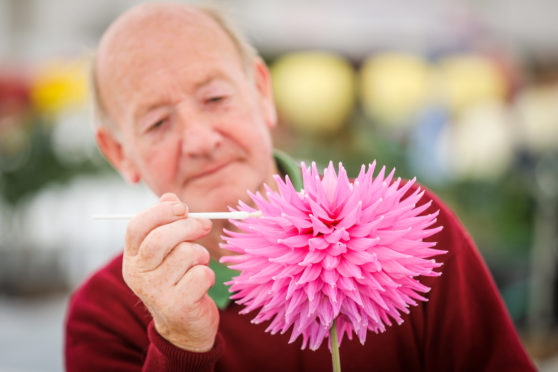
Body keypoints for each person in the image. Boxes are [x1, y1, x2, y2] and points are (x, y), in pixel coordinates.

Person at [65, 2, 536, 371]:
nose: (201, 141)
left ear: (262, 94)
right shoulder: (105, 314)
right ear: (119, 152)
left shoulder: (411, 223)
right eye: (158, 123)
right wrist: (179, 344)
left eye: (215, 98)